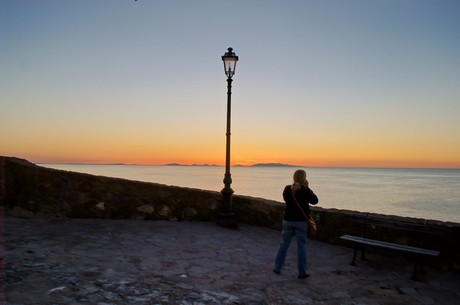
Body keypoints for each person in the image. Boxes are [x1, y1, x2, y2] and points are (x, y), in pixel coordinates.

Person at [273, 169, 319, 279]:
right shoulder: (305, 190)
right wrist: (307, 188)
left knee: (284, 244)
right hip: (301, 222)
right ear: (304, 178)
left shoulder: (287, 189)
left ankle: (277, 267)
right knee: (302, 246)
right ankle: (302, 272)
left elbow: (286, 199)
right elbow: (315, 200)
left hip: (288, 220)